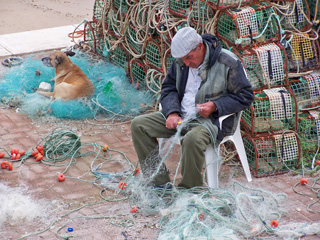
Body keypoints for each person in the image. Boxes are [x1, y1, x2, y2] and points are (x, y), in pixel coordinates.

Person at [131, 27, 254, 189]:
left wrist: (215, 106)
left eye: (189, 57)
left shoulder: (227, 63)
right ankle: (159, 184)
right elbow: (168, 88)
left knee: (191, 140)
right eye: (183, 60)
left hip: (210, 121)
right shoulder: (181, 62)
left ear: (200, 46)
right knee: (139, 125)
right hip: (182, 116)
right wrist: (172, 112)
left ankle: (190, 190)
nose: (187, 63)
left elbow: (245, 96)